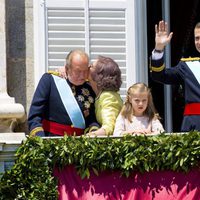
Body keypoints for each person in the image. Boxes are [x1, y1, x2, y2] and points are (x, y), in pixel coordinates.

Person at [28, 49, 97, 137]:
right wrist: (40, 139)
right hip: (51, 141)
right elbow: (35, 115)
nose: (83, 76)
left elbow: (92, 120)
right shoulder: (50, 81)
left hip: (80, 144)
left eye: (85, 71)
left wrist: (94, 132)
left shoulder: (89, 88)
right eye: (78, 71)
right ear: (67, 69)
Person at [150, 20, 200, 132]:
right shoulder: (186, 66)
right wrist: (159, 48)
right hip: (194, 128)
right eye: (197, 38)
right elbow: (159, 75)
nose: (199, 42)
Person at [87, 56, 123, 136]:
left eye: (91, 66)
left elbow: (109, 127)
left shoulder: (108, 96)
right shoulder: (99, 93)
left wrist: (89, 136)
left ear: (99, 75)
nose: (88, 67)